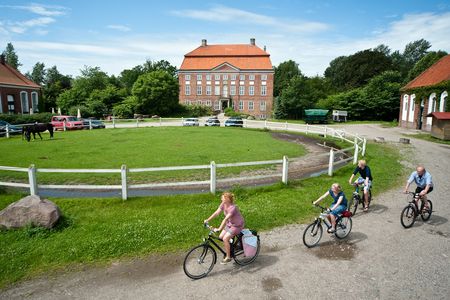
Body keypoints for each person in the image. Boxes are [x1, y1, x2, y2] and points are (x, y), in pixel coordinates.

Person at [204, 192, 245, 264]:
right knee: (221, 236)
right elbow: (216, 213)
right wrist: (207, 220)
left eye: (223, 197)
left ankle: (228, 257)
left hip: (237, 225)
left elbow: (225, 219)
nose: (221, 198)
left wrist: (219, 229)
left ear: (228, 199)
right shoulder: (223, 204)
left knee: (225, 239)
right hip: (230, 224)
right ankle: (231, 247)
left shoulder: (233, 208)